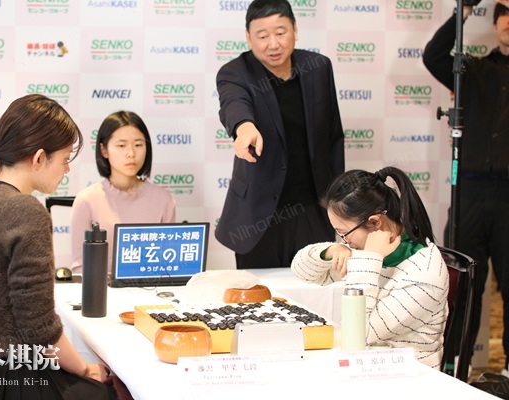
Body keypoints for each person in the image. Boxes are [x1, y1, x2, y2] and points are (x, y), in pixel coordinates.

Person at [0, 94, 124, 399]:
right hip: (5, 380)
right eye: (65, 159)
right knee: (110, 389)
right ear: (39, 158)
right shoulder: (25, 211)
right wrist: (83, 368)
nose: (66, 170)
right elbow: (38, 328)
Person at [214, 0, 345, 269]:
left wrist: (337, 203)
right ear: (248, 36)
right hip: (260, 216)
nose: (273, 44)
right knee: (259, 292)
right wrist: (244, 127)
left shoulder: (318, 67)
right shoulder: (235, 73)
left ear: (295, 29)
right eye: (262, 36)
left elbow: (333, 137)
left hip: (314, 209)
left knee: (315, 285)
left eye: (280, 33)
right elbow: (234, 104)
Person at [423, 0, 509, 374]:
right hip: (470, 194)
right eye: (505, 15)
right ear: (496, 23)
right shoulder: (472, 69)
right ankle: (455, 369)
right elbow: (433, 56)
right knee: (462, 285)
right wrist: (466, 9)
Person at [291, 167, 449, 368]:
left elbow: (357, 336)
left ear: (375, 222)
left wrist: (369, 260)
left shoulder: (423, 275)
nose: (344, 241)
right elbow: (301, 270)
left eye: (344, 233)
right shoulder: (369, 247)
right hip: (369, 366)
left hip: (408, 375)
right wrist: (331, 250)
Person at [70, 110, 176, 274]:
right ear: (104, 150)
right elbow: (80, 268)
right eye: (121, 145)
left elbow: (168, 264)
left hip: (151, 289)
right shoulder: (86, 200)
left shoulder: (163, 200)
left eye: (138, 145)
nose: (131, 154)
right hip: (101, 289)